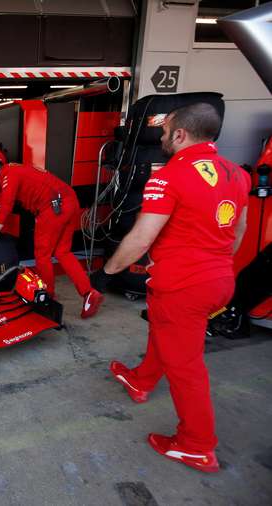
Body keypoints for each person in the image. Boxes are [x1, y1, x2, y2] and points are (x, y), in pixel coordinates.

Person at [90, 103, 250, 473]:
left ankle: (197, 445)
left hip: (183, 286)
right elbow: (237, 232)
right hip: (220, 279)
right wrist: (214, 268)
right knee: (167, 331)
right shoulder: (237, 174)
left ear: (180, 135)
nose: (161, 138)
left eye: (165, 133)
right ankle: (141, 379)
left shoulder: (170, 175)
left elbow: (143, 237)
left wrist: (107, 272)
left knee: (187, 367)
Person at [0, 159, 104, 318]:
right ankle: (89, 293)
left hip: (52, 208)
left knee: (42, 255)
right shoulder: (14, 169)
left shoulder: (8, 175)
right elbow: (0, 203)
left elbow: (6, 208)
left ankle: (47, 295)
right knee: (63, 252)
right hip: (70, 201)